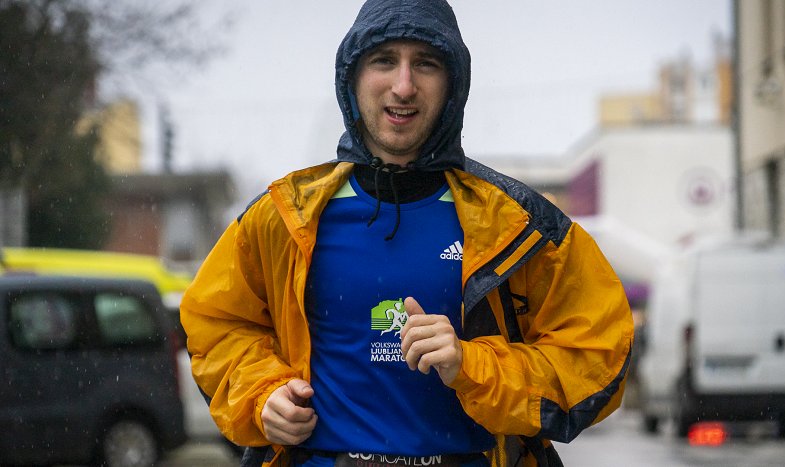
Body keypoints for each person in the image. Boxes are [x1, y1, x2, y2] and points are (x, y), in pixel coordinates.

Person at [180, 1, 633, 467]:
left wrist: (472, 365)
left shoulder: (519, 225)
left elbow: (598, 356)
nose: (403, 86)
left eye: (426, 63)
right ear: (352, 78)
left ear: (453, 84)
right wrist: (263, 394)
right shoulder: (283, 216)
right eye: (384, 61)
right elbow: (216, 325)